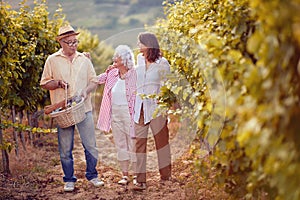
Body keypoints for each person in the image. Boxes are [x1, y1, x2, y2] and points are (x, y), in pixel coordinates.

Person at [40, 24, 104, 192]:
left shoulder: (84, 59)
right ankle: (69, 179)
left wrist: (85, 91)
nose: (74, 45)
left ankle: (93, 175)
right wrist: (58, 84)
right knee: (65, 148)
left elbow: (94, 81)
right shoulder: (52, 60)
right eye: (69, 42)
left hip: (84, 109)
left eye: (75, 41)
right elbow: (44, 83)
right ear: (61, 42)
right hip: (64, 112)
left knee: (91, 145)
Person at [133, 32, 172, 190]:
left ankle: (166, 175)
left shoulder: (162, 63)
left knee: (161, 142)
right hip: (140, 107)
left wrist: (164, 107)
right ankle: (140, 179)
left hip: (156, 108)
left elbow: (167, 86)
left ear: (148, 44)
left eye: (140, 43)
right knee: (140, 143)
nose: (138, 46)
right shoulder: (139, 60)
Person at [96, 45, 137, 185]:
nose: (114, 59)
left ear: (124, 60)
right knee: (120, 144)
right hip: (115, 114)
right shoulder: (113, 73)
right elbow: (98, 80)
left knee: (133, 144)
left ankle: (137, 175)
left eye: (117, 57)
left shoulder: (134, 74)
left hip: (129, 113)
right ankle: (125, 175)